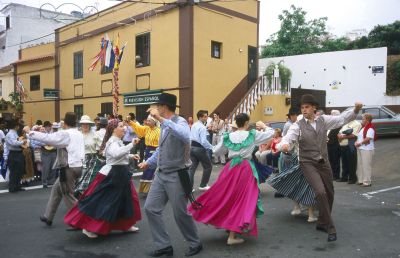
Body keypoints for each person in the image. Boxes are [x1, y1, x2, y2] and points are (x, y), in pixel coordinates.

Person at [280, 94, 363, 242]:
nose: (304, 110)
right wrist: (284, 145)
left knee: (330, 192)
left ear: (314, 108)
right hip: (307, 163)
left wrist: (356, 109)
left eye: (306, 107)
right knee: (320, 191)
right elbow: (288, 138)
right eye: (302, 108)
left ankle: (322, 222)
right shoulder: (297, 125)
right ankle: (330, 227)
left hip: (324, 162)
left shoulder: (323, 120)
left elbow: (342, 119)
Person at [188, 113, 275, 245]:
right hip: (245, 168)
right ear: (246, 123)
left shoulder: (228, 136)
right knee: (241, 199)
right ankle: (233, 235)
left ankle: (230, 227)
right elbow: (271, 133)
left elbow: (216, 151)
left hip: (231, 167)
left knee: (227, 196)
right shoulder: (252, 134)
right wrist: (264, 126)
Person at [139, 93, 202, 257]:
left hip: (176, 174)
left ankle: (195, 242)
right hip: (161, 173)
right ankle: (164, 245)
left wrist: (160, 119)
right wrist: (149, 162)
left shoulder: (178, 121)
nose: (156, 108)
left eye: (158, 106)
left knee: (180, 213)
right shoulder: (164, 125)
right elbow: (161, 148)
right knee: (151, 208)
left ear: (164, 107)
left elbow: (185, 135)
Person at [64, 119, 142, 238]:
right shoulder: (112, 141)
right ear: (114, 129)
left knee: (126, 200)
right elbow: (115, 154)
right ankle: (88, 227)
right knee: (103, 201)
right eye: (121, 126)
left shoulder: (117, 141)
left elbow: (117, 155)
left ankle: (126, 224)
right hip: (113, 175)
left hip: (121, 173)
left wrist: (131, 155)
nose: (124, 128)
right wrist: (132, 145)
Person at [30, 112, 84, 226]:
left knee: (68, 194)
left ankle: (84, 219)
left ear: (65, 123)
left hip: (69, 167)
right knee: (56, 190)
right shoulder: (78, 133)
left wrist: (30, 132)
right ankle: (48, 216)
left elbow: (49, 139)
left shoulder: (66, 134)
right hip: (77, 166)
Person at [128, 114, 161, 196]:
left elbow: (161, 144)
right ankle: (147, 190)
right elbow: (139, 128)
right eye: (147, 120)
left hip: (155, 151)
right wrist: (130, 122)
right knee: (147, 169)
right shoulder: (146, 128)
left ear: (154, 122)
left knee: (151, 169)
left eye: (149, 120)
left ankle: (153, 190)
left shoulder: (159, 131)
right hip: (148, 150)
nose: (147, 122)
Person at [74, 115, 102, 196]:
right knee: (78, 180)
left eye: (87, 123)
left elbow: (102, 146)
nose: (85, 125)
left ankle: (87, 199)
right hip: (79, 160)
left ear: (89, 125)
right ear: (81, 125)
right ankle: (78, 201)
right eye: (83, 124)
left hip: (92, 160)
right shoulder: (77, 134)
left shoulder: (95, 134)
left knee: (89, 181)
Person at [189, 110, 213, 191]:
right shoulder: (202, 127)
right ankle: (203, 185)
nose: (206, 118)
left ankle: (189, 188)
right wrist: (212, 147)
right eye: (205, 116)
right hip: (199, 148)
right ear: (200, 117)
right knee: (208, 166)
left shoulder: (194, 125)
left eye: (207, 116)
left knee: (192, 168)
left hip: (191, 147)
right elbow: (203, 141)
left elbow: (190, 137)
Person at [5, 119, 26, 193]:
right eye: (17, 125)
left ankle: (17, 186)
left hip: (18, 153)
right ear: (15, 126)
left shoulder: (14, 133)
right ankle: (12, 187)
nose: (18, 127)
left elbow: (16, 141)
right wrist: (23, 142)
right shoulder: (10, 134)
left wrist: (22, 142)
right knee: (14, 171)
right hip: (13, 153)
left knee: (19, 171)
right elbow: (13, 143)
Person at [355, 113, 376, 187]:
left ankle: (367, 181)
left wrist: (359, 143)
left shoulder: (370, 128)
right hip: (360, 148)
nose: (362, 120)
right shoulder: (363, 128)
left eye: (363, 119)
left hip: (367, 149)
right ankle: (361, 180)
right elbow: (359, 137)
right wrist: (356, 142)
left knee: (366, 165)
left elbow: (368, 139)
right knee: (360, 165)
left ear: (367, 120)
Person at [338, 119, 361, 183]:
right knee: (344, 163)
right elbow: (339, 132)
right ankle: (344, 177)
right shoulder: (346, 123)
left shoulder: (357, 124)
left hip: (350, 146)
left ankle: (352, 178)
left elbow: (354, 135)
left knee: (352, 163)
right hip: (343, 145)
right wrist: (339, 135)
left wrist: (342, 137)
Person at [327, 110, 341, 180]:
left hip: (335, 145)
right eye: (331, 114)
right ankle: (332, 174)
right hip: (329, 145)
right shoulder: (330, 124)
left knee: (336, 161)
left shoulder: (338, 125)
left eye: (333, 114)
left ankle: (336, 175)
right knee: (330, 160)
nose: (331, 115)